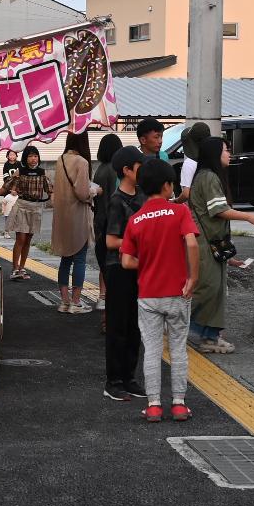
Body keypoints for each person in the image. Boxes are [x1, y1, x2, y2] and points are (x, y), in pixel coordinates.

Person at [120, 158, 200, 423]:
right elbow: (191, 242)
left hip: (148, 295)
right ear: (167, 186)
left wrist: (150, 262)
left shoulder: (136, 219)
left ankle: (153, 405)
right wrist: (193, 278)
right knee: (178, 348)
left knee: (152, 350)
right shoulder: (180, 213)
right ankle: (178, 404)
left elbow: (126, 261)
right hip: (177, 291)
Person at [187, 134, 254, 354]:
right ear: (214, 154)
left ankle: (208, 335)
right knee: (209, 289)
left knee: (213, 288)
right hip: (206, 244)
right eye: (226, 150)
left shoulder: (204, 176)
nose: (230, 154)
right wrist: (248, 217)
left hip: (209, 243)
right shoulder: (209, 177)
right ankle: (199, 334)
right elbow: (219, 210)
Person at [100, 146, 145, 401]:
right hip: (118, 269)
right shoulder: (117, 201)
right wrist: (138, 244)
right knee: (117, 325)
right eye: (139, 166)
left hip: (137, 267)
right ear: (126, 171)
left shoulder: (142, 197)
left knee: (134, 325)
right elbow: (110, 242)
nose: (143, 171)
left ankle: (130, 377)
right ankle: (113, 380)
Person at [50, 132, 99, 313]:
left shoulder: (60, 159)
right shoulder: (82, 162)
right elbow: (82, 193)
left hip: (62, 216)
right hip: (78, 215)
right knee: (79, 258)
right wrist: (96, 191)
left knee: (65, 258)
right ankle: (76, 302)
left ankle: (64, 302)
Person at [1, 145, 50, 281]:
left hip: (35, 208)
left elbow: (50, 190)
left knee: (28, 239)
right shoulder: (20, 171)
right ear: (25, 158)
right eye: (30, 156)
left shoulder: (41, 172)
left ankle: (22, 267)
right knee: (21, 238)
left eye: (35, 156)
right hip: (22, 205)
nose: (33, 159)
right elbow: (6, 186)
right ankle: (15, 268)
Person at [90, 134, 126, 317]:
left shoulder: (100, 169)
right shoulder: (114, 171)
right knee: (113, 266)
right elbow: (115, 199)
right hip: (111, 224)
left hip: (99, 221)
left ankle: (103, 299)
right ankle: (110, 309)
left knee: (104, 263)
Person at [174, 121, 212, 202]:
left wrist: (175, 201)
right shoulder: (212, 160)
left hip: (194, 210)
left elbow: (186, 194)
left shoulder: (189, 163)